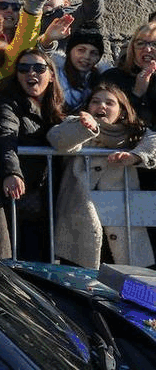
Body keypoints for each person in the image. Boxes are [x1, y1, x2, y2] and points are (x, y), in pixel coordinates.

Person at [48, 83, 156, 269]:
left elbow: (153, 142)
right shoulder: (78, 124)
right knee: (82, 282)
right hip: (80, 228)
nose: (101, 106)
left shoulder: (134, 133)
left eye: (109, 103)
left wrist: (135, 156)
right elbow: (57, 138)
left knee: (125, 282)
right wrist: (84, 128)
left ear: (122, 111)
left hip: (123, 229)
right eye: (95, 102)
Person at [0, 47, 65, 260]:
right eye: (23, 68)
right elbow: (6, 136)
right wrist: (11, 172)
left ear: (51, 75)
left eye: (39, 68)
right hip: (20, 198)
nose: (31, 72)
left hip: (49, 198)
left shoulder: (56, 108)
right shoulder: (6, 103)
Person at [101, 22, 156, 124]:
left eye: (154, 44)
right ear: (132, 48)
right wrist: (137, 93)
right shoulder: (112, 78)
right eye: (140, 43)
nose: (148, 49)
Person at [55, 29, 107, 112]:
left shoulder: (102, 80)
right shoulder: (55, 74)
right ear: (69, 51)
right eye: (81, 50)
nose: (87, 57)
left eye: (93, 53)